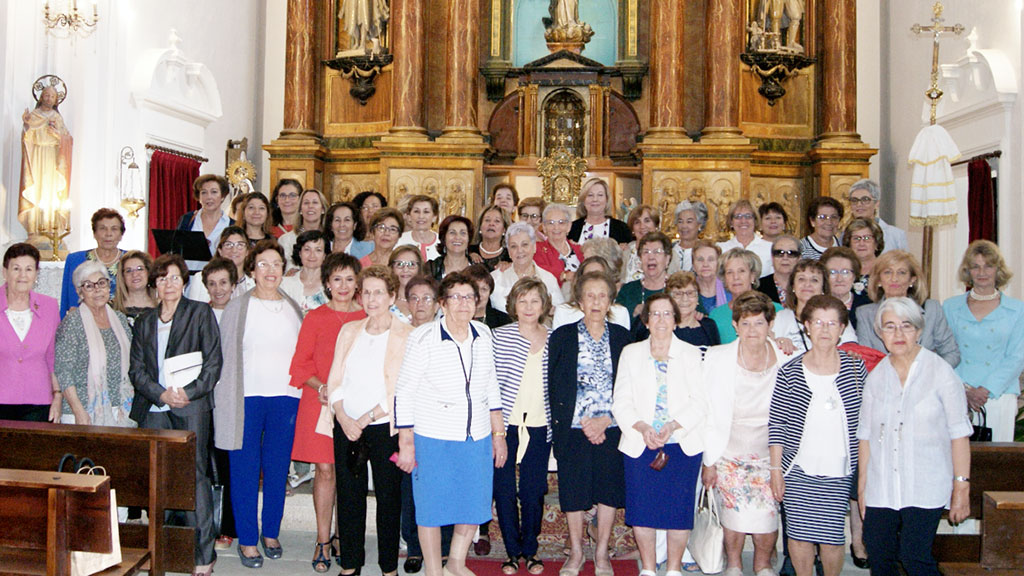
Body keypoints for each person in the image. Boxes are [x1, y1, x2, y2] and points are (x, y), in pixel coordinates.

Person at [394, 272, 508, 576]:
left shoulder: (484, 334)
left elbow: (491, 385)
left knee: (474, 503)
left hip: (478, 436)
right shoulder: (423, 337)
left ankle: (456, 562)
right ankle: (434, 570)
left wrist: (499, 434)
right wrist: (406, 442)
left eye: (469, 296)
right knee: (431, 509)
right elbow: (404, 391)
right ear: (442, 303)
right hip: (433, 437)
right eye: (455, 297)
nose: (463, 303)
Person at [857, 297, 973, 576]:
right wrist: (863, 489)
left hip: (926, 484)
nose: (898, 334)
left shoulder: (941, 373)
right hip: (881, 486)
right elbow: (865, 436)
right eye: (890, 327)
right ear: (880, 333)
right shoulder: (876, 377)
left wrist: (961, 488)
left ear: (919, 330)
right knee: (880, 557)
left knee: (914, 557)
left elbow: (959, 434)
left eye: (906, 326)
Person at [129, 253, 222, 575]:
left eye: (174, 277)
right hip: (154, 408)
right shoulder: (144, 321)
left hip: (191, 407)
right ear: (154, 284)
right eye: (162, 278)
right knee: (159, 482)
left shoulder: (200, 313)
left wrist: (188, 393)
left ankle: (202, 556)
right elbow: (137, 370)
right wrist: (160, 394)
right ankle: (164, 551)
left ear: (184, 282)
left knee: (195, 479)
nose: (168, 284)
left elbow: (213, 364)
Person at [214, 240, 303, 569]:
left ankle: (271, 533)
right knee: (245, 471)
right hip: (246, 399)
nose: (270, 270)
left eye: (276, 264)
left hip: (286, 399)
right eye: (262, 264)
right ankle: (248, 539)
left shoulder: (294, 308)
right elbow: (223, 358)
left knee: (278, 470)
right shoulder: (238, 307)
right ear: (251, 270)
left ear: (283, 268)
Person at [612, 294, 709, 576]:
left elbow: (700, 402)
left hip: (681, 444)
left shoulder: (691, 354)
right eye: (655, 314)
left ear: (676, 321)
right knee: (643, 510)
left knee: (679, 512)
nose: (662, 320)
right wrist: (642, 427)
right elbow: (621, 401)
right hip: (640, 444)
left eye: (668, 314)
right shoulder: (631, 353)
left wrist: (673, 426)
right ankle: (649, 569)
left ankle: (675, 569)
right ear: (647, 320)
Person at [769, 295, 865, 576]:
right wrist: (776, 470)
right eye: (818, 322)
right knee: (799, 536)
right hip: (798, 468)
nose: (825, 329)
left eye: (832, 323)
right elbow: (777, 424)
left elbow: (865, 422)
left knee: (833, 537)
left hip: (839, 467)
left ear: (842, 328)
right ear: (807, 326)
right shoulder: (789, 371)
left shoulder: (856, 369)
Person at [325, 265, 411, 576]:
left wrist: (366, 417)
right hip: (347, 426)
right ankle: (350, 565)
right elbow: (334, 379)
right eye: (367, 292)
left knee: (388, 499)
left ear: (392, 296)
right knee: (349, 497)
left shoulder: (406, 335)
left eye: (379, 292)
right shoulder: (350, 331)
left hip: (384, 427)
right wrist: (344, 416)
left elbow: (403, 388)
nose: (371, 299)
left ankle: (388, 568)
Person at [548, 271, 631, 576]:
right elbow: (554, 385)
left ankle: (602, 552)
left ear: (610, 301)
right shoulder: (563, 336)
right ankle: (577, 551)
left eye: (602, 295)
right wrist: (584, 422)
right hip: (573, 428)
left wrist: (606, 420)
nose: (596, 301)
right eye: (590, 295)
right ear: (580, 301)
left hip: (611, 427)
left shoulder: (623, 337)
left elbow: (629, 386)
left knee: (608, 490)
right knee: (573, 491)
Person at [289, 252, 365, 572]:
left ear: (357, 283)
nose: (344, 285)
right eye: (337, 279)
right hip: (318, 402)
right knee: (325, 471)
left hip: (355, 407)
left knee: (348, 474)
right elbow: (300, 364)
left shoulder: (365, 318)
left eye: (350, 279)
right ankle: (322, 538)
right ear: (327, 284)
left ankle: (341, 535)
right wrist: (322, 387)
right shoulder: (315, 317)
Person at [702, 291, 785, 576]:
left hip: (770, 455)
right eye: (746, 324)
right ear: (735, 325)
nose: (752, 330)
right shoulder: (717, 358)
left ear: (770, 324)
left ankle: (762, 565)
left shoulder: (788, 356)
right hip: (728, 451)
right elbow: (708, 411)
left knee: (766, 519)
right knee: (733, 515)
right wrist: (709, 461)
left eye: (759, 323)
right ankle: (734, 564)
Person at [492, 278, 552, 575]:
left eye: (535, 301)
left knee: (532, 491)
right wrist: (496, 430)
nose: (529, 307)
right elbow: (489, 387)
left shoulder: (555, 338)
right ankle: (512, 552)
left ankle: (530, 549)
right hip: (506, 425)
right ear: (513, 304)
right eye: (523, 300)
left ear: (544, 305)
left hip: (540, 425)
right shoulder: (499, 336)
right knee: (503, 491)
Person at [396, 276, 452, 573]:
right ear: (406, 302)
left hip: (442, 423)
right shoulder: (399, 335)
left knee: (441, 486)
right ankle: (415, 547)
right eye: (414, 298)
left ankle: (443, 547)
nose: (420, 304)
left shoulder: (449, 333)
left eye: (426, 298)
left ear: (438, 303)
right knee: (411, 487)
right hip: (407, 422)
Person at [943, 240, 1024, 442]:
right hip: (959, 393)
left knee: (995, 465)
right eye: (975, 266)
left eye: (988, 266)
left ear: (998, 269)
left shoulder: (1016, 309)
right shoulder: (950, 307)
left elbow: (1017, 357)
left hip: (999, 395)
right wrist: (965, 390)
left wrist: (985, 390)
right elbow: (945, 352)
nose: (982, 272)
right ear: (967, 271)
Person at [55, 260, 134, 426]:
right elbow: (63, 371)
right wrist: (79, 411)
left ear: (108, 286)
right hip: (84, 411)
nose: (97, 289)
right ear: (80, 292)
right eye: (89, 286)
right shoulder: (72, 323)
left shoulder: (119, 319)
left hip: (120, 409)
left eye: (101, 283)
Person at [854, 250, 959, 367]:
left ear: (912, 280)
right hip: (885, 381)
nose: (894, 279)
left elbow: (951, 353)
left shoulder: (932, 309)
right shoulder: (864, 314)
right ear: (878, 280)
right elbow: (866, 359)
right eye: (888, 272)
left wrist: (929, 375)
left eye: (902, 273)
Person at [0, 243, 61, 422]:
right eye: (16, 269)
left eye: (28, 269)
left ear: (36, 274)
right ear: (5, 272)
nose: (22, 275)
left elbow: (53, 357)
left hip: (39, 401)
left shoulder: (49, 306)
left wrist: (57, 396)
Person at [19, 84, 73, 242]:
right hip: (37, 158)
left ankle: (49, 226)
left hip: (52, 159)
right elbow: (26, 138)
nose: (49, 98)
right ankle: (34, 227)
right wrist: (27, 125)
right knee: (37, 190)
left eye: (52, 96)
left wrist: (57, 136)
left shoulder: (57, 118)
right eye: (46, 95)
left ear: (56, 100)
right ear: (41, 97)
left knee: (49, 191)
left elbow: (67, 139)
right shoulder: (34, 115)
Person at [772, 259, 856, 354]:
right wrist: (778, 342)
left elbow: (851, 352)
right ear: (793, 286)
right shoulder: (780, 318)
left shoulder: (837, 317)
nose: (807, 284)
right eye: (801, 279)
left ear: (823, 288)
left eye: (814, 280)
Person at [60, 208, 126, 317]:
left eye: (114, 229)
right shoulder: (75, 260)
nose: (108, 234)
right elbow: (67, 301)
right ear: (94, 233)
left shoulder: (130, 261)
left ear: (121, 235)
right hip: (82, 321)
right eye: (102, 228)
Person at [635, 272, 721, 353]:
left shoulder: (709, 326)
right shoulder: (657, 326)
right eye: (678, 294)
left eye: (690, 293)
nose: (685, 299)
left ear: (697, 298)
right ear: (669, 299)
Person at [710, 248, 782, 343]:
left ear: (752, 275)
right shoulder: (716, 316)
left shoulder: (776, 310)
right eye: (729, 272)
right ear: (724, 279)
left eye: (742, 271)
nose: (736, 277)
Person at [490, 223, 564, 314]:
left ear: (534, 247)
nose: (520, 250)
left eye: (524, 245)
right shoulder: (495, 279)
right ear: (509, 252)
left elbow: (560, 314)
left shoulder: (548, 279)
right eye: (514, 246)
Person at [552, 257, 631, 330]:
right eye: (589, 276)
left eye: (599, 275)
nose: (594, 281)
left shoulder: (620, 313)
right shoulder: (563, 311)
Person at [176, 174, 234, 269]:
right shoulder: (187, 219)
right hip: (189, 279)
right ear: (199, 197)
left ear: (222, 196)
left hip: (218, 279)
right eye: (204, 193)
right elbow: (176, 250)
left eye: (214, 192)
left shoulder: (231, 225)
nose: (209, 197)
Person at [187, 227, 254, 303]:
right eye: (228, 245)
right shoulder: (200, 279)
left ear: (247, 251)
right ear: (220, 251)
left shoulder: (254, 283)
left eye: (240, 245)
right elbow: (194, 312)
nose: (234, 250)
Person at [616, 231, 672, 320]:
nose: (651, 257)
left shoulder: (680, 289)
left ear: (667, 259)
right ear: (640, 258)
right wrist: (633, 313)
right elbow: (616, 324)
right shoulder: (627, 291)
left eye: (657, 252)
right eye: (646, 252)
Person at [846, 180, 908, 253]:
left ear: (876, 204)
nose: (859, 204)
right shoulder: (845, 234)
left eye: (865, 199)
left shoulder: (896, 236)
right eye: (854, 200)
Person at [717, 200, 774, 277]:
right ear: (731, 222)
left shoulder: (770, 248)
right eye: (738, 217)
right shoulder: (721, 249)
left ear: (755, 221)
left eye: (748, 216)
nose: (743, 221)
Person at [821, 247, 871, 331]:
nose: (839, 279)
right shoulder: (815, 304)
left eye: (845, 272)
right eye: (832, 272)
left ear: (854, 276)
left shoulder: (867, 304)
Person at [534, 203, 583, 288]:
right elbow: (539, 271)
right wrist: (563, 275)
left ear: (569, 226)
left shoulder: (580, 250)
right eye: (551, 223)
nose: (556, 227)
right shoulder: (536, 249)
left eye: (561, 222)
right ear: (544, 227)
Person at [570, 178, 632, 244]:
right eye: (590, 195)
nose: (595, 199)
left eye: (600, 195)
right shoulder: (571, 228)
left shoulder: (621, 229)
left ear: (607, 199)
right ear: (583, 200)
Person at [281, 230, 329, 313]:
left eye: (318, 250)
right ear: (300, 253)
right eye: (307, 249)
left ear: (324, 255)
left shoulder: (332, 286)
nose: (312, 255)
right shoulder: (284, 284)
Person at [279, 189, 329, 267]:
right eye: (306, 203)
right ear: (300, 210)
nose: (310, 206)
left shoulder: (330, 239)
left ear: (323, 209)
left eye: (315, 202)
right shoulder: (285, 240)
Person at [112, 250, 156, 325]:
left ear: (148, 272)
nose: (135, 274)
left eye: (140, 269)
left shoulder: (162, 307)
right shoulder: (111, 308)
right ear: (123, 277)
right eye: (128, 271)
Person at [841, 218, 885, 295]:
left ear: (876, 243)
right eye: (856, 238)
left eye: (867, 238)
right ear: (849, 244)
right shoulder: (841, 271)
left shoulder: (886, 270)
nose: (861, 243)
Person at [622, 205, 662, 282]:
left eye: (647, 221)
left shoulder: (666, 251)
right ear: (632, 228)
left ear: (655, 225)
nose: (642, 226)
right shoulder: (624, 252)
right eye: (637, 222)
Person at [428, 215, 475, 280]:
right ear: (444, 237)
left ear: (469, 239)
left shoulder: (479, 269)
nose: (457, 237)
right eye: (452, 232)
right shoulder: (430, 269)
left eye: (463, 233)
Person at [757, 235, 800, 305]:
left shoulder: (806, 286)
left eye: (791, 253)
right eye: (779, 253)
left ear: (799, 258)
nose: (785, 257)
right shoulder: (758, 287)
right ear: (772, 257)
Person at [466, 264, 512, 329]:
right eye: (474, 288)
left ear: (490, 292)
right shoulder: (452, 318)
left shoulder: (503, 321)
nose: (479, 294)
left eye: (484, 289)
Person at [397, 195, 441, 261]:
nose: (421, 216)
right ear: (409, 216)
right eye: (416, 211)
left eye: (426, 212)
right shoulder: (398, 241)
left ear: (434, 217)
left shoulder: (442, 241)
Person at [670, 201, 709, 273]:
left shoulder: (706, 251)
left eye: (689, 221)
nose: (684, 226)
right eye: (680, 221)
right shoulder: (668, 250)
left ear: (699, 225)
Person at [470, 205, 512, 270]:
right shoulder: (469, 251)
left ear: (504, 229)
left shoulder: (510, 256)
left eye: (497, 221)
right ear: (480, 226)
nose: (491, 224)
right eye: (487, 220)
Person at [389, 245, 424, 322]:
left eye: (412, 264)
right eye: (399, 264)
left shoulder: (428, 300)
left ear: (419, 268)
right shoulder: (385, 299)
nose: (405, 269)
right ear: (391, 268)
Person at [693, 240, 727, 315]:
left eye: (711, 259)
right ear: (693, 266)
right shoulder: (687, 291)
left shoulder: (729, 290)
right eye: (700, 260)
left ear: (718, 264)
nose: (705, 264)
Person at [201, 257, 237, 322]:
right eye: (212, 284)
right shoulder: (199, 316)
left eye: (223, 282)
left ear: (233, 286)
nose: (218, 290)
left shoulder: (242, 315)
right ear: (207, 288)